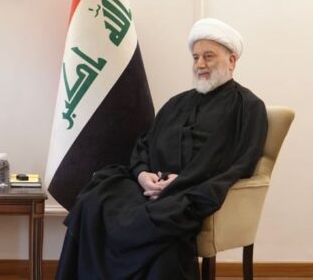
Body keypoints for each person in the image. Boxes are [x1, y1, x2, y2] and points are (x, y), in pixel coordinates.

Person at [54, 18, 268, 280]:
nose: (200, 64)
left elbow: (240, 163)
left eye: (208, 56)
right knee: (94, 199)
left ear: (231, 60)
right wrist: (143, 174)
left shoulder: (248, 107)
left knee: (154, 224)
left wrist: (181, 183)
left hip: (190, 192)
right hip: (149, 186)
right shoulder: (177, 103)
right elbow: (145, 144)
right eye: (196, 57)